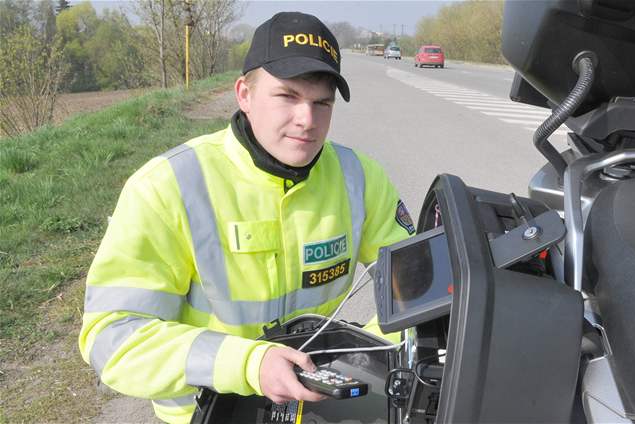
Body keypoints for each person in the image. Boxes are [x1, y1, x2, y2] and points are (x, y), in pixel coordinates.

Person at [78, 11, 415, 423]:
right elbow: (112, 337)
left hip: (319, 410)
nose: (307, 120)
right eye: (287, 97)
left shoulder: (360, 177)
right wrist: (248, 364)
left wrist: (369, 363)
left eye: (321, 102)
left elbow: (416, 288)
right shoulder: (168, 186)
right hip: (207, 414)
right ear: (244, 94)